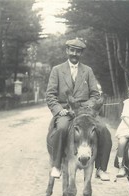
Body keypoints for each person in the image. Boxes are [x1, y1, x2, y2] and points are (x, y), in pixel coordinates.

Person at [46, 38, 112, 181]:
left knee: (104, 130)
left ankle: (101, 168)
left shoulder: (88, 71)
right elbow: (50, 94)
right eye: (72, 50)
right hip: (66, 111)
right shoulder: (57, 70)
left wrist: (86, 107)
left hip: (85, 112)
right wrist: (59, 110)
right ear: (67, 51)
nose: (74, 54)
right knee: (62, 128)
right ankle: (56, 165)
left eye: (78, 51)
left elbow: (95, 94)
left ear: (81, 53)